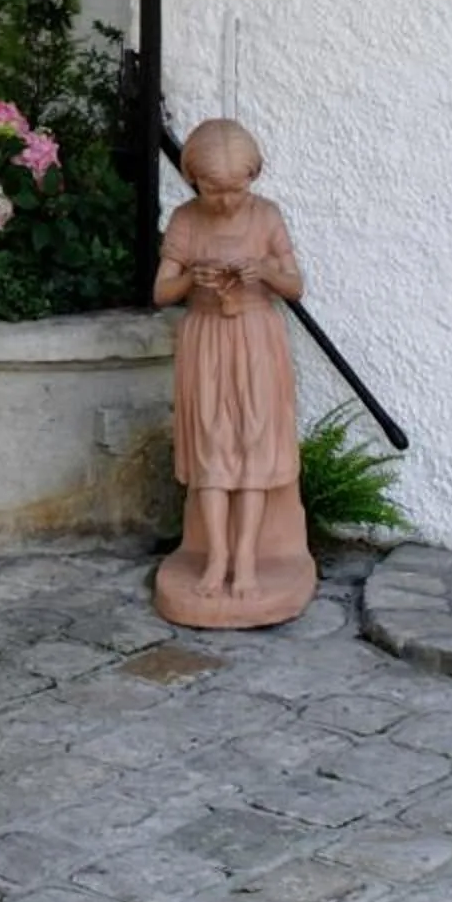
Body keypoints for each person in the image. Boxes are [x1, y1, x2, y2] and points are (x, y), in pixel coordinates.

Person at [151, 116, 317, 626]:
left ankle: (246, 557)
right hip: (206, 339)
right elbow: (161, 292)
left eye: (234, 188)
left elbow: (294, 286)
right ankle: (215, 554)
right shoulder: (185, 219)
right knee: (212, 447)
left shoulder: (266, 216)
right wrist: (190, 280)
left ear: (254, 175)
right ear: (193, 179)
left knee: (253, 447)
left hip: (254, 338)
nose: (223, 200)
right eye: (211, 189)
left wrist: (263, 271)